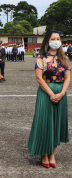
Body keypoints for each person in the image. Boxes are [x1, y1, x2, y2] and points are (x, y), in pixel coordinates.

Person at [28, 30, 70, 168]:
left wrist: (62, 93)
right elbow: (39, 78)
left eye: (58, 38)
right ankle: (44, 154)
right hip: (46, 93)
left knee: (57, 123)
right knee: (45, 122)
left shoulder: (64, 58)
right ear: (48, 41)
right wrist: (52, 94)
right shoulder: (41, 58)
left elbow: (68, 78)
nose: (56, 41)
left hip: (61, 94)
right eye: (53, 38)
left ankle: (52, 154)